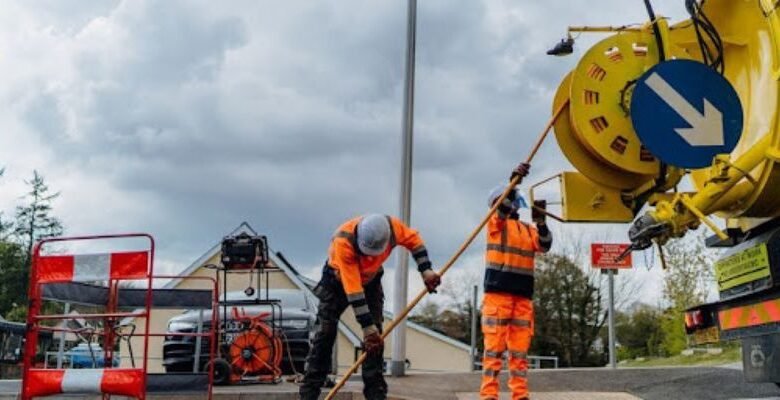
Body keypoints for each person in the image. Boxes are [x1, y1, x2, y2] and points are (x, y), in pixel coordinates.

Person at [300, 214, 441, 400]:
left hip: (371, 280)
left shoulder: (392, 229)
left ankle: (376, 395)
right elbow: (354, 291)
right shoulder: (344, 242)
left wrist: (426, 270)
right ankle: (309, 394)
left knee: (375, 341)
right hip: (337, 282)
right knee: (325, 335)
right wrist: (367, 328)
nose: (368, 258)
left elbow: (414, 241)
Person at [480, 163, 552, 400]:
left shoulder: (525, 229)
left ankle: (520, 396)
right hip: (498, 297)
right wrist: (514, 185)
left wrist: (541, 222)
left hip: (522, 297)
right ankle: (489, 396)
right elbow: (502, 210)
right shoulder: (494, 224)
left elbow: (544, 245)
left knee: (519, 354)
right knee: (494, 352)